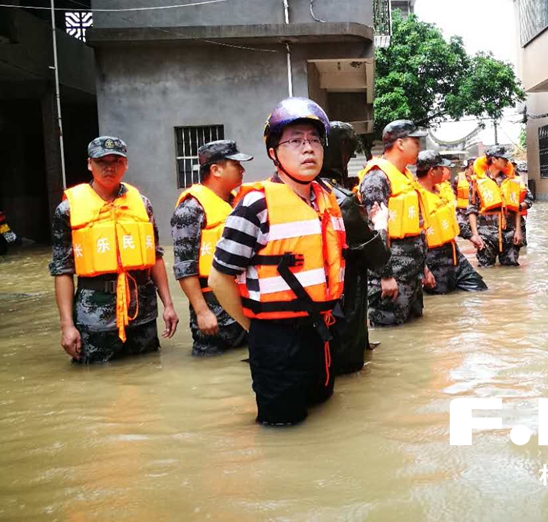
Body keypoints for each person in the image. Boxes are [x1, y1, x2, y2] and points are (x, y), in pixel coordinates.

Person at [208, 98, 346, 426]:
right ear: (274, 152)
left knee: (324, 412)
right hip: (275, 339)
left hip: (321, 333)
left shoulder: (328, 199)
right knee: (283, 428)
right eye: (295, 141)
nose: (308, 148)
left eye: (314, 140)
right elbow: (219, 278)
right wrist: (254, 330)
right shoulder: (255, 205)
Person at [49, 136, 179, 363]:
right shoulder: (68, 209)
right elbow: (63, 270)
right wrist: (67, 326)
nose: (109, 167)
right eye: (102, 162)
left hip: (142, 312)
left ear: (125, 164)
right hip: (94, 314)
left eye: (116, 161)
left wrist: (168, 305)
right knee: (97, 379)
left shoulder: (142, 203)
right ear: (90, 164)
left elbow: (155, 257)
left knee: (147, 370)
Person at [320, 121, 391, 374]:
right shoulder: (341, 200)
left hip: (302, 319)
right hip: (344, 307)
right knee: (347, 372)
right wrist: (380, 224)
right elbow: (378, 256)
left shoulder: (287, 195)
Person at [170, 140, 252, 356]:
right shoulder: (190, 210)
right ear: (216, 169)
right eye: (236, 164)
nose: (242, 169)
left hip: (246, 308)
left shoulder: (238, 204)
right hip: (215, 313)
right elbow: (184, 266)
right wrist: (202, 311)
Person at [357, 120, 435, 326]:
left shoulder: (405, 177)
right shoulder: (377, 177)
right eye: (415, 141)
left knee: (413, 336)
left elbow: (415, 227)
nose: (419, 146)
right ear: (400, 143)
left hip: (412, 276)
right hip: (392, 279)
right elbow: (374, 231)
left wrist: (423, 267)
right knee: (390, 330)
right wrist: (385, 276)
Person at [416, 150, 487, 294]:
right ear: (432, 171)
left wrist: (471, 236)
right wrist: (423, 269)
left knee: (481, 290)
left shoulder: (441, 191)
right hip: (433, 261)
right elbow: (413, 238)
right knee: (441, 300)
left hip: (455, 255)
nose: (444, 171)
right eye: (441, 168)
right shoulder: (414, 196)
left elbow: (450, 220)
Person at [467, 145, 525, 267]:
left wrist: (518, 231)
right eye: (504, 159)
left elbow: (516, 208)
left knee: (512, 269)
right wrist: (475, 235)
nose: (507, 162)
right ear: (493, 160)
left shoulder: (511, 180)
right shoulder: (477, 181)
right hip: (486, 233)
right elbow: (472, 210)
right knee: (485, 268)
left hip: (509, 233)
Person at [452, 158, 475, 240]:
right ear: (470, 165)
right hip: (462, 211)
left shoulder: (479, 178)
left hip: (474, 210)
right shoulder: (458, 178)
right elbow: (453, 193)